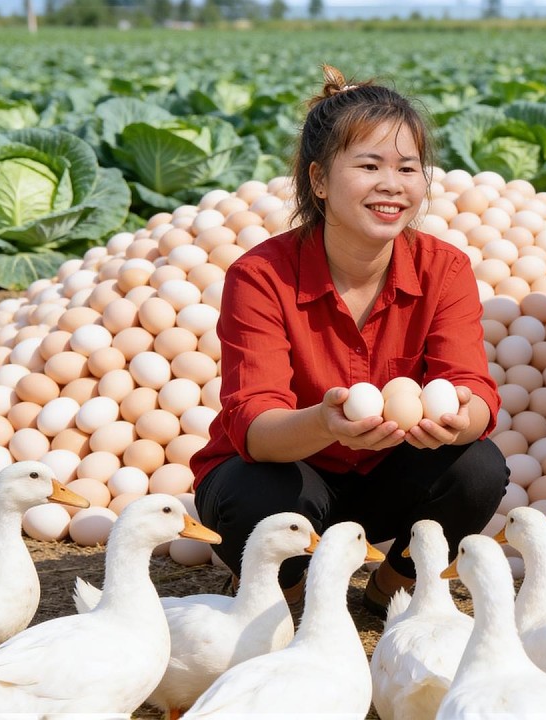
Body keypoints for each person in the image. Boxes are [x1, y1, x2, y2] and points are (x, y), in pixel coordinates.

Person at [189, 65, 508, 618]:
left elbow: (471, 384)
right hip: (293, 474)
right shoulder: (261, 276)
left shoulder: (443, 269)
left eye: (408, 167)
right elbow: (254, 425)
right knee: (254, 496)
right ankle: (285, 602)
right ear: (318, 181)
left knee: (478, 469)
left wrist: (463, 418)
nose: (393, 184)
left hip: (388, 474)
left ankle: (393, 584)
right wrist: (324, 423)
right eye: (369, 166)